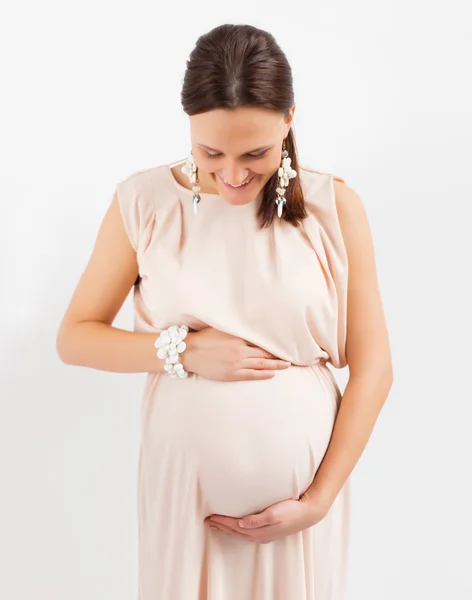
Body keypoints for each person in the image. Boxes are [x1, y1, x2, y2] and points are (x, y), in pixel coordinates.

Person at [56, 23, 393, 600]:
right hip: (183, 496)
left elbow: (375, 368)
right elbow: (75, 338)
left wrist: (317, 502)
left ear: (289, 119)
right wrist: (181, 351)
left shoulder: (333, 207)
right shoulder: (143, 202)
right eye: (211, 152)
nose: (233, 175)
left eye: (256, 153)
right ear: (188, 125)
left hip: (298, 508)